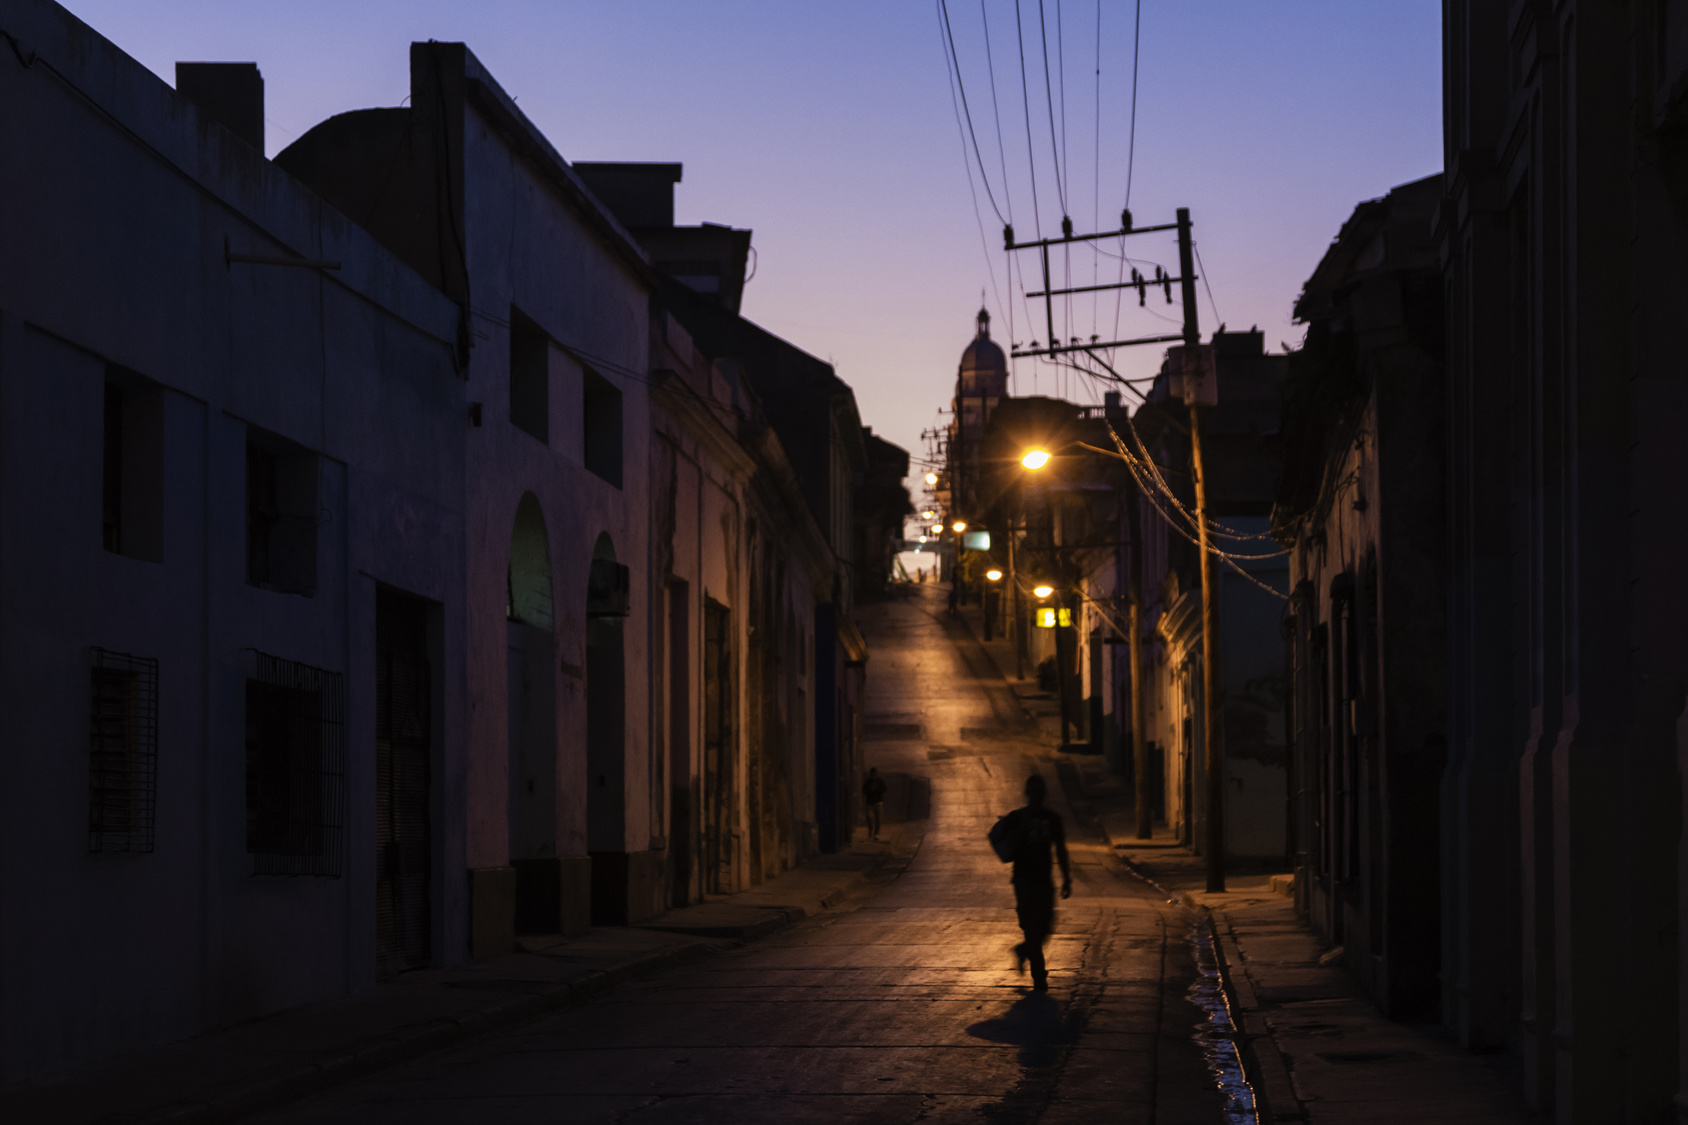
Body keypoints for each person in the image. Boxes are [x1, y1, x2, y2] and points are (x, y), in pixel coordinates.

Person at [1005, 774, 1071, 991]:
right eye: (1032, 791)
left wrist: (1066, 878)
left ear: (1043, 794)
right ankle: (1039, 975)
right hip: (1024, 880)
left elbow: (1060, 849)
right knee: (1031, 928)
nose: (1036, 796)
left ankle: (1024, 951)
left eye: (1039, 792)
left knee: (1045, 926)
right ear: (1027, 793)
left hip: (1044, 879)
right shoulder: (1018, 817)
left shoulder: (1052, 819)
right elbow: (1008, 846)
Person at [862, 767, 887, 839]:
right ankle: (871, 830)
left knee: (878, 819)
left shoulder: (879, 781)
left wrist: (878, 792)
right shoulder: (868, 782)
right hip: (871, 802)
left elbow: (884, 789)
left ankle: (875, 833)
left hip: (878, 802)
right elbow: (864, 790)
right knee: (870, 817)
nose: (874, 775)